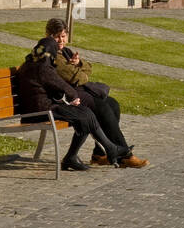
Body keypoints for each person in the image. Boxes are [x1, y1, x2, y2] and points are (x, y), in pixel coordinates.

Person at [44, 18, 148, 168]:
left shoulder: (65, 51)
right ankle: (125, 155)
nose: (60, 39)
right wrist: (81, 72)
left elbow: (88, 69)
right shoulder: (53, 55)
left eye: (63, 35)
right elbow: (77, 78)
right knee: (102, 108)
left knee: (113, 104)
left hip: (76, 92)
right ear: (48, 35)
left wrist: (79, 64)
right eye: (57, 36)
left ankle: (99, 153)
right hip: (66, 98)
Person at [16, 33, 126, 172]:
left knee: (84, 113)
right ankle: (108, 149)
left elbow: (52, 84)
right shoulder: (43, 67)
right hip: (41, 110)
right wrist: (73, 96)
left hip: (38, 108)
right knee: (84, 115)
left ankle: (91, 153)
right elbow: (60, 84)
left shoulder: (32, 63)